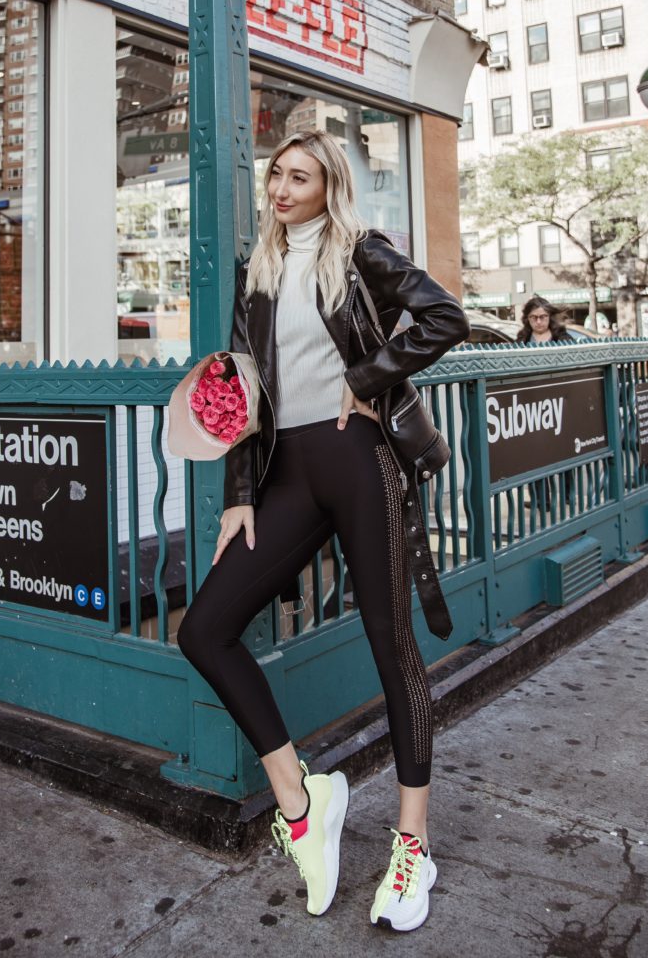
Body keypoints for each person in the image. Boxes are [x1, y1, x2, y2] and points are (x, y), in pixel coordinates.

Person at [177, 130, 469, 932]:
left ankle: (414, 844)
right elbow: (241, 385)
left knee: (390, 644)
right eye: (276, 173)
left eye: (297, 175)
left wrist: (369, 379)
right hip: (287, 474)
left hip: (357, 455)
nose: (279, 185)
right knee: (204, 628)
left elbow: (446, 315)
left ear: (326, 185)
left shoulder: (360, 251)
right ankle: (302, 798)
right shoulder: (260, 271)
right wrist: (240, 491)